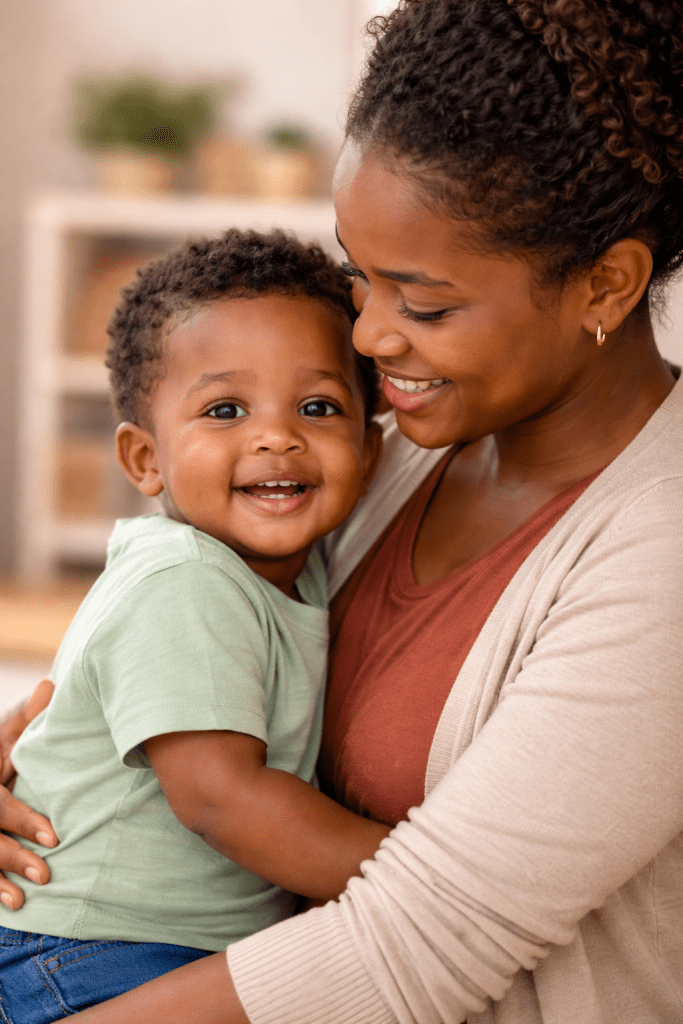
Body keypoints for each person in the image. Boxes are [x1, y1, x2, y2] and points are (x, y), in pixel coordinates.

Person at [1, 0, 682, 1020]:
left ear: (605, 284)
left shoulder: (655, 556)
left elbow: (417, 941)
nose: (363, 340)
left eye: (423, 303)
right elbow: (171, 659)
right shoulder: (388, 446)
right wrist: (34, 773)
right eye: (358, 279)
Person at [0, 228, 389, 1018]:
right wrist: (418, 875)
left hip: (145, 945)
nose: (276, 436)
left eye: (317, 407)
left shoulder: (297, 565)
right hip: (87, 951)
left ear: (369, 452)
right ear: (145, 461)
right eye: (224, 409)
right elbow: (220, 798)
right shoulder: (185, 580)